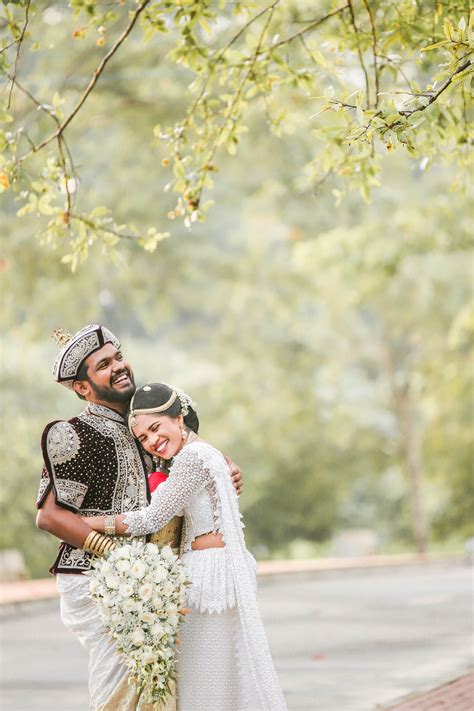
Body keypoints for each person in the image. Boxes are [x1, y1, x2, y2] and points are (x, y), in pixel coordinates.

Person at [36, 325, 242, 711]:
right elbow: (49, 516)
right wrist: (118, 559)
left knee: (160, 687)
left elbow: (192, 461)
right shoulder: (73, 435)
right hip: (95, 576)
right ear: (82, 387)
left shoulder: (144, 428)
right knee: (124, 686)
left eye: (118, 356)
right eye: (103, 365)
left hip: (153, 580)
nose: (118, 366)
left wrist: (226, 468)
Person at [85, 382, 288, 711]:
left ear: (179, 418)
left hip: (209, 576)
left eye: (155, 428)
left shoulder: (192, 458)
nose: (153, 441)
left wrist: (88, 524)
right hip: (217, 569)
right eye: (144, 439)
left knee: (204, 679)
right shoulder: (205, 453)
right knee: (224, 674)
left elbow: (152, 518)